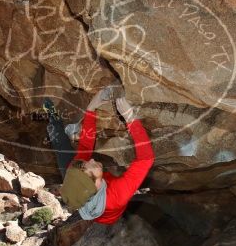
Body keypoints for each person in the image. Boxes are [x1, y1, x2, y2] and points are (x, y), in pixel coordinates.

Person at [45, 86, 154, 225]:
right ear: (96, 184)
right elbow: (146, 159)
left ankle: (53, 118)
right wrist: (130, 118)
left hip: (76, 182)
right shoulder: (117, 195)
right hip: (110, 211)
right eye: (90, 165)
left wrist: (91, 109)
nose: (91, 159)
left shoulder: (79, 171)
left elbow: (85, 147)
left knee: (61, 146)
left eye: (85, 163)